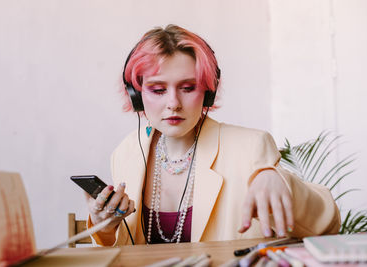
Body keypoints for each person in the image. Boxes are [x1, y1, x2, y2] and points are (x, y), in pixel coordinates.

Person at [85, 24, 340, 246]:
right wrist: (105, 227)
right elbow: (117, 251)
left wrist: (280, 180)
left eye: (187, 87)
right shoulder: (126, 152)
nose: (173, 103)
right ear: (137, 95)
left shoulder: (250, 146)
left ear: (208, 92)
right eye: (158, 89)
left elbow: (329, 223)